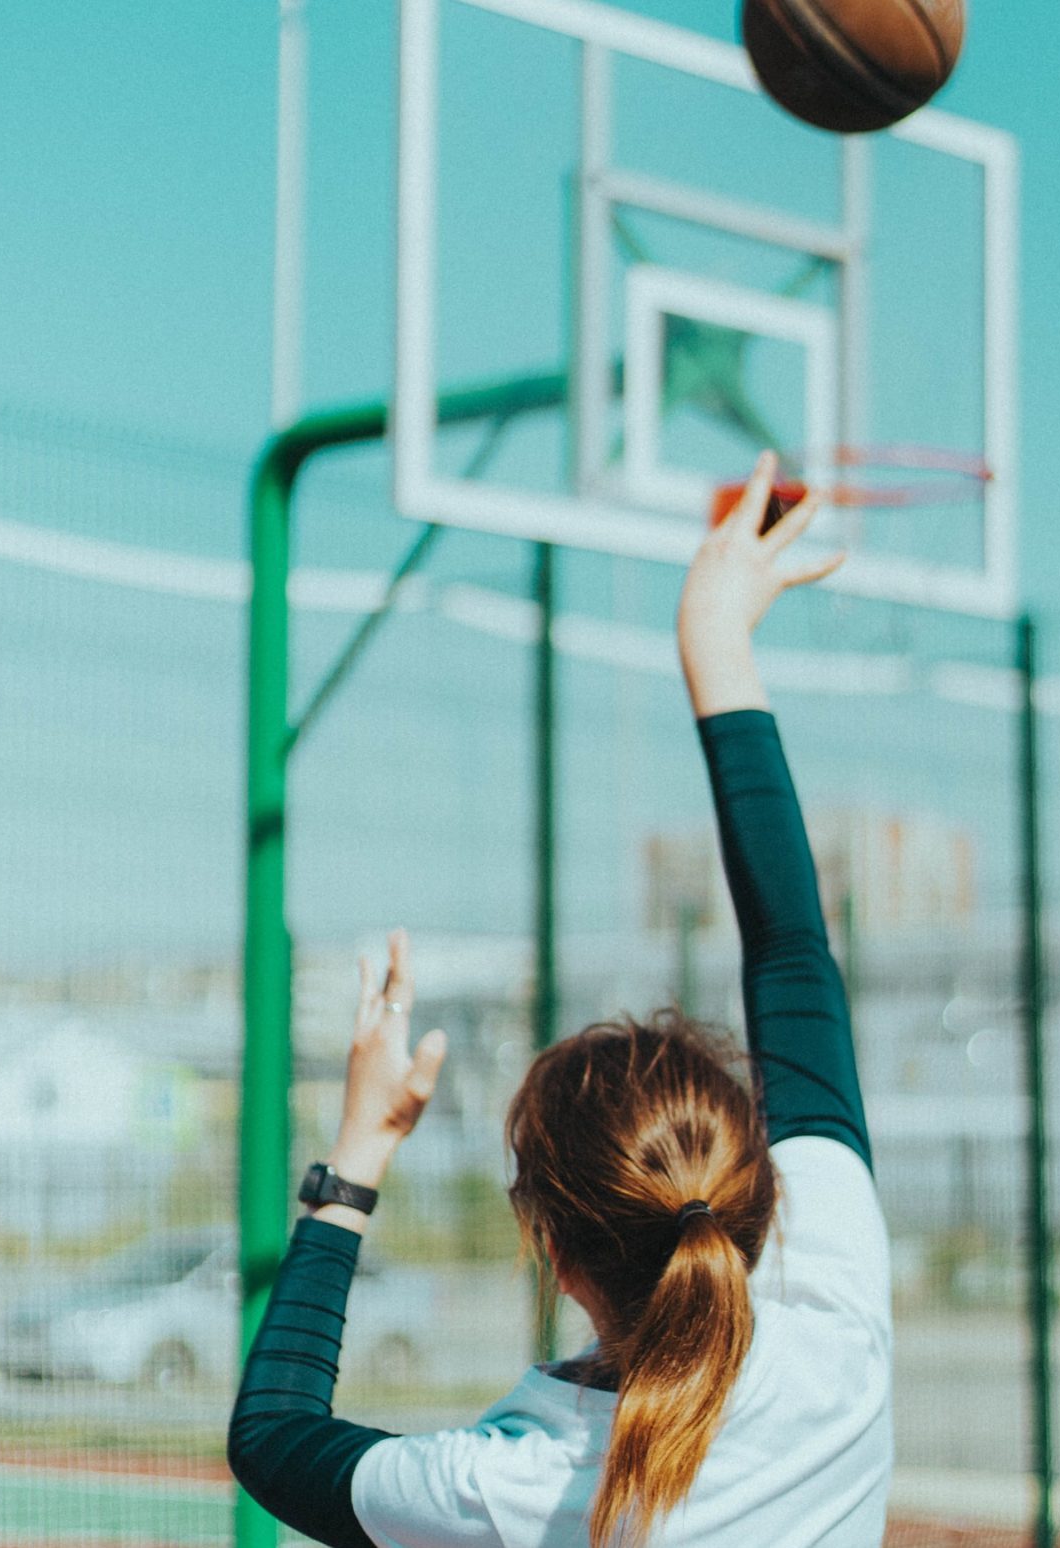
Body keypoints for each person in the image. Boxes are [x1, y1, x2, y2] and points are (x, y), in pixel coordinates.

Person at [227, 452, 893, 1548]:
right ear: (759, 1194)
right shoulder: (837, 1329)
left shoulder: (511, 1490)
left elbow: (273, 1435)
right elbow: (792, 951)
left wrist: (357, 1156)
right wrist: (717, 644)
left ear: (554, 1254)